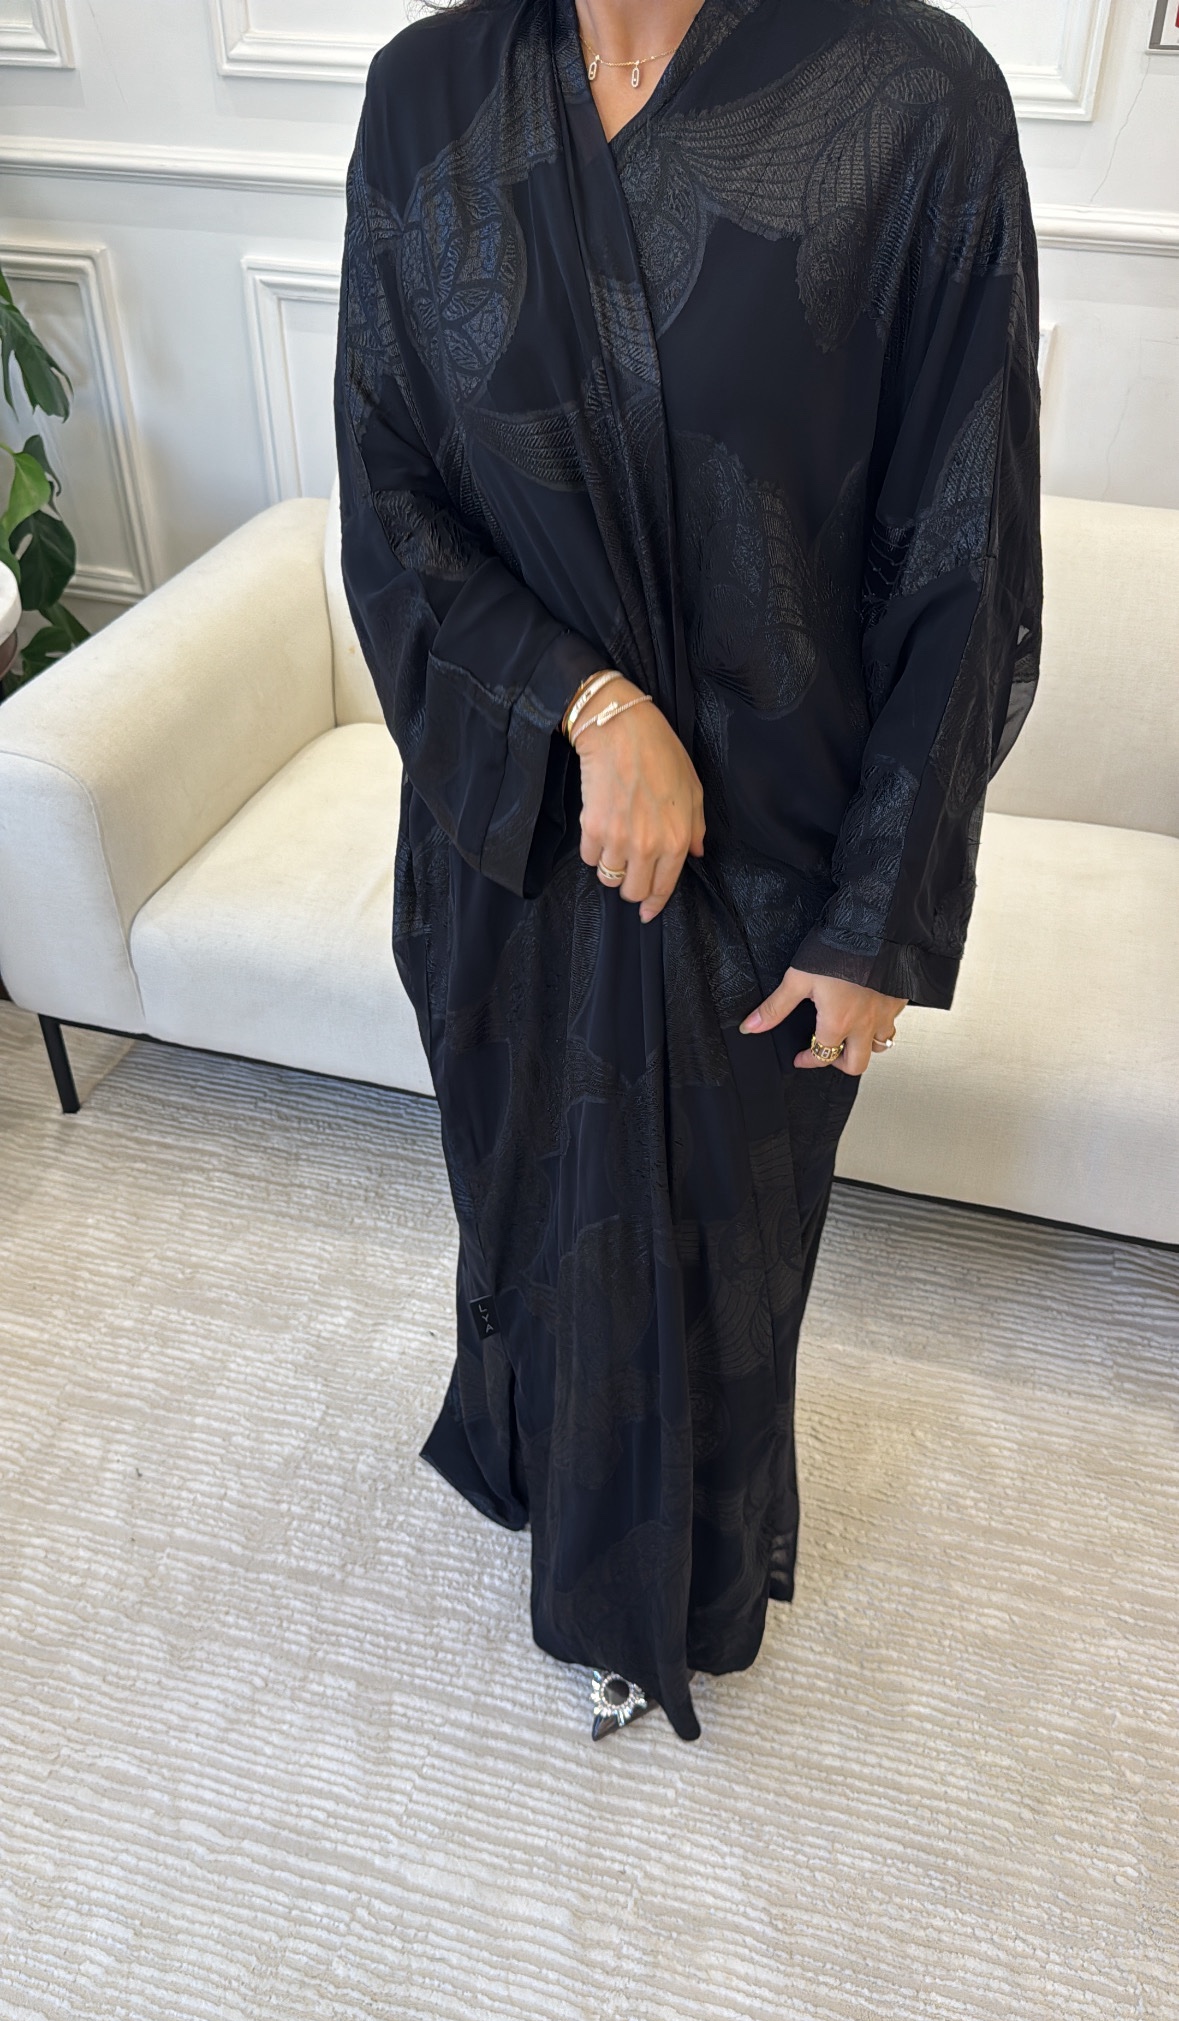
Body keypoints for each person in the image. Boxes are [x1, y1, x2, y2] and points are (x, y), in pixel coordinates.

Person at [334, 0, 1043, 1743]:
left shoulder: (912, 98)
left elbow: (964, 546)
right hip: (519, 837)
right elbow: (390, 491)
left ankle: (671, 1596)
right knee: (526, 1206)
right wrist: (584, 704)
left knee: (722, 1265)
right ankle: (550, 1499)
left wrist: (881, 914)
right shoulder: (427, 92)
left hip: (769, 866)